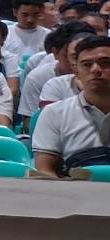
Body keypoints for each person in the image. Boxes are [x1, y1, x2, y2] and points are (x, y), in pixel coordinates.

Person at [31, 35, 110, 179]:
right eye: (86, 64)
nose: (96, 69)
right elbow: (44, 171)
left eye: (105, 63)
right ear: (76, 72)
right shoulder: (54, 113)